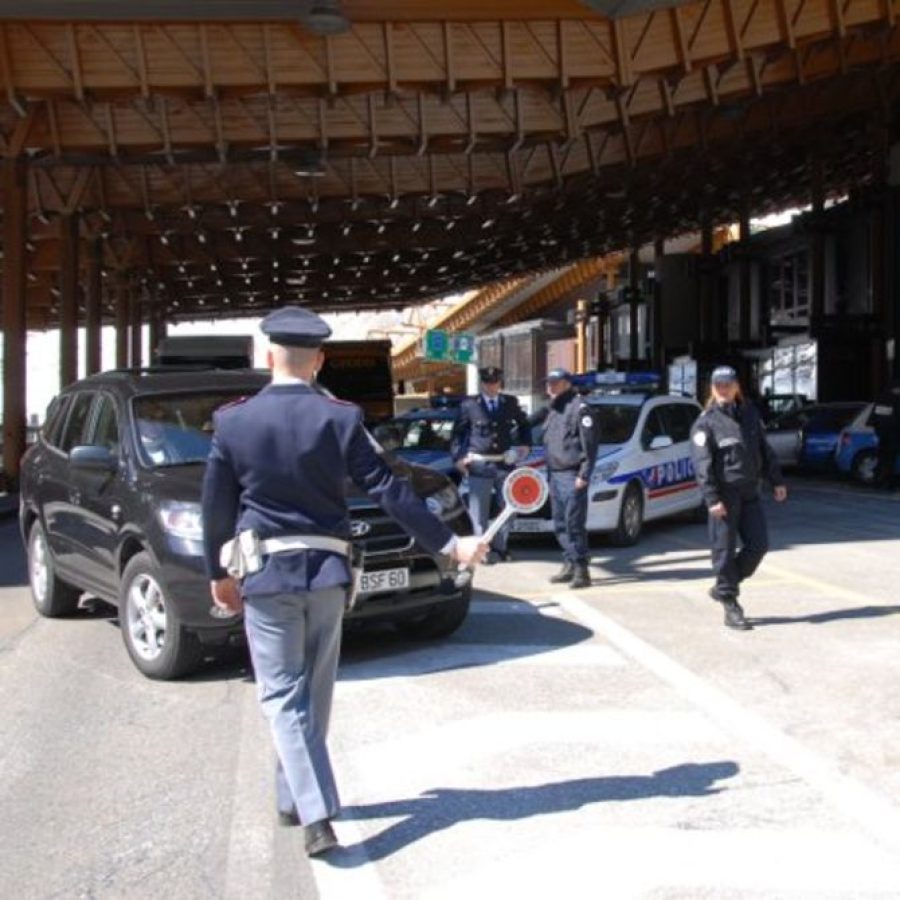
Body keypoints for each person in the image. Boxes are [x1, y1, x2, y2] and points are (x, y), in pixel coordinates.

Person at [201, 307, 486, 858]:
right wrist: (449, 544)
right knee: (314, 692)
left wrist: (217, 574)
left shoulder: (234, 421)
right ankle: (295, 799)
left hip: (264, 575)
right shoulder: (340, 417)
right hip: (328, 573)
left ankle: (314, 813)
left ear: (267, 358)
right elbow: (390, 487)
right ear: (320, 361)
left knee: (283, 694)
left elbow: (215, 506)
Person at [690, 366, 788, 631]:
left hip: (750, 491)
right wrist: (712, 499)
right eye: (718, 385)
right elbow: (702, 465)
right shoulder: (705, 422)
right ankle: (731, 604)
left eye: (728, 384)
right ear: (712, 388)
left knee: (759, 545)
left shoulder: (750, 414)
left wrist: (776, 480)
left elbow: (763, 449)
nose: (723, 389)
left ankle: (724, 586)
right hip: (724, 495)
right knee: (724, 550)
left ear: (736, 387)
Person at [453, 366, 531, 564]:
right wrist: (458, 457)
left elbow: (524, 424)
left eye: (495, 382)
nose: (491, 386)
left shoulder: (510, 402)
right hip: (479, 464)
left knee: (509, 508)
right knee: (478, 512)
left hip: (504, 464)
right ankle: (482, 550)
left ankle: (501, 545)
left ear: (500, 382)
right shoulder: (470, 405)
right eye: (488, 382)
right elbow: (458, 434)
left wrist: (525, 446)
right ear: (483, 383)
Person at [531, 368, 599, 590]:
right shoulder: (554, 408)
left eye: (555, 383)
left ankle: (582, 570)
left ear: (567, 384)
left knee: (574, 524)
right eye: (548, 383)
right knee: (560, 523)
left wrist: (584, 474)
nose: (550, 387)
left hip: (571, 475)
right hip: (555, 473)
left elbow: (590, 446)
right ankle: (569, 563)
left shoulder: (580, 408)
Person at [872, 379, 900, 491]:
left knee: (883, 459)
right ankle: (888, 482)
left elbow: (876, 420)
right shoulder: (896, 401)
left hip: (883, 436)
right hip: (893, 436)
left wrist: (878, 432)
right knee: (890, 461)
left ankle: (879, 481)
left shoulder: (882, 400)